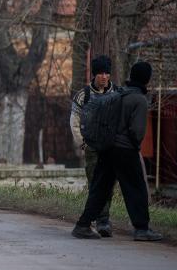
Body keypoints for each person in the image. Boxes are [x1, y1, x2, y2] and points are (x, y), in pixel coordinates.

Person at [72, 61, 163, 241]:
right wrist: (135, 147)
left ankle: (82, 225)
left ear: (131, 76)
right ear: (146, 79)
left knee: (100, 189)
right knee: (136, 189)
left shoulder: (118, 94)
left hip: (106, 148)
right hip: (125, 150)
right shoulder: (139, 99)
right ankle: (142, 229)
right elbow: (137, 132)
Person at [70, 55, 118, 236]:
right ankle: (100, 220)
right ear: (94, 74)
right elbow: (74, 121)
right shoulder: (84, 95)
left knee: (109, 185)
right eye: (100, 73)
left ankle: (103, 221)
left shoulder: (117, 93)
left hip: (111, 147)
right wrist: (82, 144)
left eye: (107, 73)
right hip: (92, 148)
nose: (104, 77)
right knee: (95, 184)